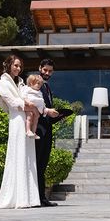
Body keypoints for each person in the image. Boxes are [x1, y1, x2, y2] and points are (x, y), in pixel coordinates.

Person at [0, 55, 40, 209]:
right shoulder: (3, 83)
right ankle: (19, 198)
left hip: (26, 119)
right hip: (17, 120)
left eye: (20, 66)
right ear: (9, 65)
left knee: (27, 155)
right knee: (17, 154)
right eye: (16, 65)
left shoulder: (21, 83)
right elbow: (13, 103)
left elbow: (28, 96)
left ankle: (30, 198)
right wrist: (29, 106)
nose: (18, 68)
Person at [35, 59, 60, 207]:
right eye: (45, 70)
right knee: (38, 164)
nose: (47, 73)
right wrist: (47, 112)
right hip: (38, 130)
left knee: (43, 164)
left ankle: (41, 197)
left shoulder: (47, 87)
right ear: (40, 68)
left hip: (47, 129)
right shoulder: (34, 85)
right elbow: (30, 104)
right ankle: (39, 198)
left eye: (50, 71)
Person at [21, 74, 45, 139]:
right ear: (31, 83)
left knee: (35, 120)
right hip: (29, 107)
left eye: (40, 84)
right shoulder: (27, 89)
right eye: (38, 83)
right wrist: (28, 102)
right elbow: (23, 96)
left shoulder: (39, 92)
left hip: (36, 109)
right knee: (29, 117)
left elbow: (42, 101)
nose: (39, 86)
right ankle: (28, 131)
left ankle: (33, 132)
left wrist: (43, 109)